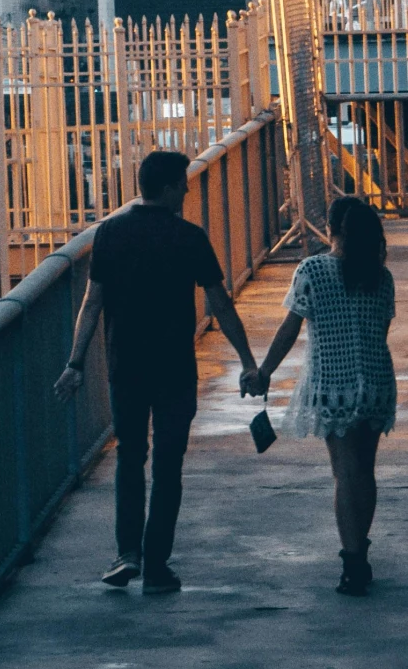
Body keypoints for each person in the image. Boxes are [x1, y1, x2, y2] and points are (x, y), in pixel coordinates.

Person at [54, 149, 258, 593]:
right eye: (182, 183)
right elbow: (219, 303)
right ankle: (157, 567)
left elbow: (92, 304)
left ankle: (127, 553)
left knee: (130, 457)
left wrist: (75, 363)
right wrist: (246, 360)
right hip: (174, 369)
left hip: (125, 366)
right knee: (168, 467)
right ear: (167, 188)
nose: (187, 188)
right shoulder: (189, 237)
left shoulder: (108, 233)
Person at [243, 194, 396, 596]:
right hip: (377, 381)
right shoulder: (381, 277)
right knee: (363, 471)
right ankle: (359, 549)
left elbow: (289, 329)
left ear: (331, 230)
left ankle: (353, 564)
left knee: (344, 473)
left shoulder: (313, 270)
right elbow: (379, 331)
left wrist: (264, 372)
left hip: (334, 383)